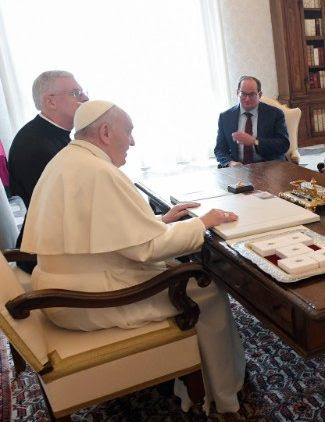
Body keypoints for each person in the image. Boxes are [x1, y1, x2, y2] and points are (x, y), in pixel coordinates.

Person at [21, 100, 247, 414]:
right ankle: (223, 392)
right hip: (87, 297)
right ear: (104, 132)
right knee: (206, 287)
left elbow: (110, 232)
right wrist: (202, 223)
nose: (133, 141)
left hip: (62, 288)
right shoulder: (99, 171)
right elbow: (148, 249)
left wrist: (161, 220)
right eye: (129, 132)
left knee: (182, 271)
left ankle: (200, 376)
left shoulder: (67, 159)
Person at [8, 70, 89, 272]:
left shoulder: (50, 134)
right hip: (49, 255)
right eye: (76, 93)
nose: (86, 98)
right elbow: (65, 211)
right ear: (50, 101)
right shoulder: (36, 145)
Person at [214, 76, 289, 167]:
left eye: (252, 94)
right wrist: (230, 163)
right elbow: (220, 150)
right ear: (238, 93)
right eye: (243, 94)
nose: (247, 99)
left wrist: (255, 141)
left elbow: (283, 144)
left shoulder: (275, 114)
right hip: (238, 168)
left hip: (268, 166)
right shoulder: (225, 117)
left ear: (259, 95)